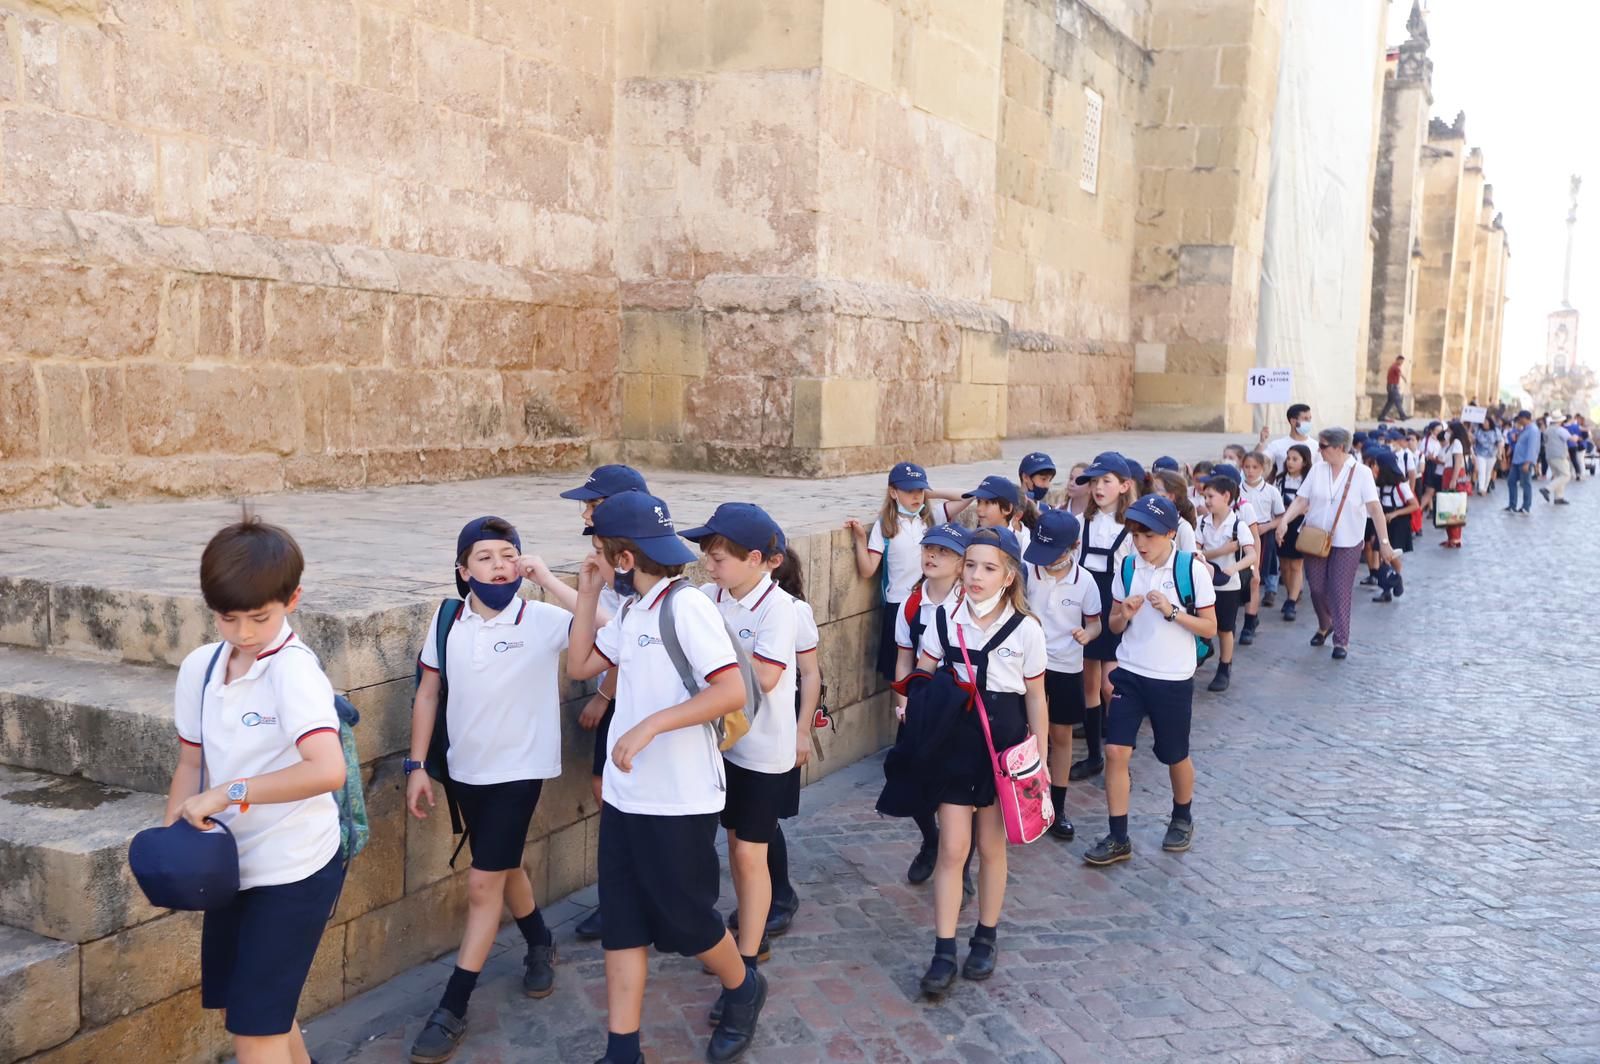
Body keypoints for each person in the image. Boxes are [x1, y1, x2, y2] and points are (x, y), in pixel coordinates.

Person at [566, 492, 767, 1064]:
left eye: (601, 555)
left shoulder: (686, 608)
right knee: (623, 922)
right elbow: (581, 665)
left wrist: (652, 724)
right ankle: (622, 1048)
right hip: (629, 796)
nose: (596, 562)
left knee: (687, 922)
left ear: (624, 557)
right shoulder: (632, 610)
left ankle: (741, 986)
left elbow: (728, 689)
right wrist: (586, 593)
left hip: (680, 797)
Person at [165, 517, 348, 1064]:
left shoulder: (293, 673)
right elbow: (189, 763)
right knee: (254, 1012)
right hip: (230, 869)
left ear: (292, 599)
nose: (244, 632)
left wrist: (227, 794)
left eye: (259, 617)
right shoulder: (200, 666)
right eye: (228, 617)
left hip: (294, 870)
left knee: (254, 1030)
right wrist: (177, 835)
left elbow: (327, 770)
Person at [406, 517, 572, 1063]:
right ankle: (540, 940)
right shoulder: (448, 618)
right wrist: (415, 766)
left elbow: (611, 626)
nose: (499, 564)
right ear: (463, 570)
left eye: (508, 554)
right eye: (485, 557)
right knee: (503, 866)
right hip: (465, 769)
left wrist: (548, 579)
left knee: (482, 885)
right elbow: (429, 692)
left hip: (520, 771)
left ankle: (452, 1007)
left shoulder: (544, 619)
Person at [903, 527, 1048, 995]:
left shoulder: (1026, 629)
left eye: (989, 568)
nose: (977, 575)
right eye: (970, 565)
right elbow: (924, 670)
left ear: (1009, 576)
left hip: (1002, 748)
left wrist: (1038, 759)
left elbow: (1037, 698)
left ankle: (986, 933)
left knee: (991, 847)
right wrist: (914, 702)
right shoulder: (944, 617)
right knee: (951, 848)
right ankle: (944, 948)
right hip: (955, 743)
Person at [1083, 495, 1217, 867]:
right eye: (1136, 533)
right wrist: (1123, 614)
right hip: (1130, 672)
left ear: (1170, 533)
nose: (1141, 543)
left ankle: (1182, 815)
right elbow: (1112, 624)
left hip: (1173, 677)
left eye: (1149, 535)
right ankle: (1118, 835)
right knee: (1115, 751)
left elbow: (1210, 626)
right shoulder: (1127, 567)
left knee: (1175, 755)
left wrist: (1173, 612)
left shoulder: (1192, 570)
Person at [559, 465, 649, 944]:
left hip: (638, 707)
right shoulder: (608, 563)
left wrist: (603, 694)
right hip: (621, 698)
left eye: (594, 504)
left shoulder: (641, 573)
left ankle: (630, 898)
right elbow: (600, 628)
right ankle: (619, 899)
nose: (587, 513)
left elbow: (621, 634)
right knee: (607, 792)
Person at [746, 543, 821, 941]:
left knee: (765, 816)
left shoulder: (792, 610)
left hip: (779, 715)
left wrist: (802, 729)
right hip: (740, 718)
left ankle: (781, 895)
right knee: (741, 821)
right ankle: (756, 897)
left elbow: (810, 674)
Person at [891, 523, 971, 888]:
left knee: (959, 789)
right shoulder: (911, 603)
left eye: (945, 552)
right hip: (921, 703)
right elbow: (904, 659)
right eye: (929, 549)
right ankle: (931, 840)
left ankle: (963, 866)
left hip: (958, 705)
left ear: (961, 564)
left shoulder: (970, 603)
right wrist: (903, 702)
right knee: (913, 780)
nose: (932, 556)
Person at [1276, 429, 1399, 660]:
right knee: (1318, 589)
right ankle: (1325, 624)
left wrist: (1384, 542)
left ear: (1339, 448)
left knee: (1339, 590)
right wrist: (1284, 520)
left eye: (1323, 446)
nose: (1319, 450)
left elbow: (1375, 509)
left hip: (1348, 541)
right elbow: (1302, 499)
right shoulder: (1317, 470)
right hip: (1315, 538)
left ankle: (1341, 640)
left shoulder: (1361, 473)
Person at [1022, 509, 1103, 842]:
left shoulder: (1085, 581)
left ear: (1074, 547)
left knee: (1062, 735)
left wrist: (1089, 634)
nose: (1046, 562)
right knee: (1026, 734)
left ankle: (1057, 805)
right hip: (1028, 666)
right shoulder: (1027, 572)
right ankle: (1026, 798)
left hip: (1067, 665)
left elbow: (1095, 622)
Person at [846, 463, 956, 684]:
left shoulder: (931, 517)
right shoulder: (886, 526)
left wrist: (930, 494)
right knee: (900, 669)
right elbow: (868, 570)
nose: (916, 496)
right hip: (898, 605)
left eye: (920, 490)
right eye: (909, 491)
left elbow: (966, 497)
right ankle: (904, 713)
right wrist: (860, 539)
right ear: (893, 492)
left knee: (931, 665)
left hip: (929, 603)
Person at [1069, 454, 1136, 782]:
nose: (1098, 488)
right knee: (1090, 684)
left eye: (1106, 481)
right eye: (1094, 482)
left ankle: (1120, 753)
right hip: (1086, 606)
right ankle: (1095, 754)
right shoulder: (1082, 522)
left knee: (1113, 685)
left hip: (1115, 608)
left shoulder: (1131, 528)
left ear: (1124, 486)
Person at [1195, 473, 1256, 693]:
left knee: (1225, 628)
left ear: (1226, 496)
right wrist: (1220, 551)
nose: (1206, 501)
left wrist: (1233, 568)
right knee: (1201, 622)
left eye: (1211, 496)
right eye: (1205, 496)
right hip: (1205, 582)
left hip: (1228, 585)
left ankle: (1225, 666)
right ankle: (1204, 649)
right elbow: (1196, 552)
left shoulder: (1238, 525)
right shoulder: (1202, 523)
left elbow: (1251, 555)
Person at [1237, 451, 1284, 635]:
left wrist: (1267, 526)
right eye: (1247, 467)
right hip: (1240, 536)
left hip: (1262, 537)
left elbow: (1280, 516)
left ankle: (1249, 622)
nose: (1250, 471)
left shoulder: (1271, 491)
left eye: (1254, 467)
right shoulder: (1237, 489)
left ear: (1263, 469)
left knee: (1255, 579)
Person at [1368, 448, 1417, 603]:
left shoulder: (1401, 485)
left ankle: (1395, 580)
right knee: (1385, 557)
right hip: (1385, 521)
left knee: (1389, 555)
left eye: (1376, 464)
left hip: (1398, 522)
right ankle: (1388, 587)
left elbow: (1414, 505)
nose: (1374, 467)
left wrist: (1394, 514)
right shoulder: (1380, 484)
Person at [1274, 444, 1312, 621]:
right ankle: (1291, 593)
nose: (1290, 462)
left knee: (1296, 565)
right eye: (1288, 458)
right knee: (1284, 565)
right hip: (1282, 523)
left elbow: (1310, 505)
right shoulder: (1280, 480)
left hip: (1300, 526)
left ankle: (1291, 601)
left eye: (1295, 459)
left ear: (1304, 462)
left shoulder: (1308, 481)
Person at [1439, 421, 1470, 546]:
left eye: (1448, 430)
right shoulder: (1451, 444)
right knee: (1448, 505)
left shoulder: (1457, 443)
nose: (1446, 433)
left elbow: (1458, 461)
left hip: (1453, 474)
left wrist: (1453, 479)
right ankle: (1451, 536)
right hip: (1448, 473)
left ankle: (1456, 538)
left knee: (1454, 506)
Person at [1262, 403, 1314, 470]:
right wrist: (1262, 442)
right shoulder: (1277, 445)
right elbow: (1259, 461)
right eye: (1305, 419)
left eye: (1310, 419)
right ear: (1293, 421)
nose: (1309, 422)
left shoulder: (1317, 446)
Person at [1507, 410, 1539, 514]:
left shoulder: (1533, 430)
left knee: (1525, 484)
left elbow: (1532, 447)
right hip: (1517, 461)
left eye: (1520, 418)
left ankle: (1526, 506)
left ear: (1525, 418)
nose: (1519, 420)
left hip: (1524, 461)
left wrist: (1528, 462)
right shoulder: (1524, 430)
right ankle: (1512, 504)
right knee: (1511, 481)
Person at [1542, 415, 1574, 506]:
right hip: (1559, 455)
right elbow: (1570, 439)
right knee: (1566, 475)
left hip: (1549, 455)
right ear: (1559, 421)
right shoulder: (1560, 430)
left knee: (1557, 476)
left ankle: (1558, 498)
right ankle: (1547, 489)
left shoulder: (1547, 430)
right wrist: (1576, 437)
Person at [1472, 415, 1502, 496]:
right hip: (1480, 453)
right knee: (1482, 471)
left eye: (1486, 422)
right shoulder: (1478, 430)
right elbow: (1473, 440)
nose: (1484, 424)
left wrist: (1499, 453)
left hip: (1492, 454)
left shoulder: (1496, 431)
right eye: (1483, 422)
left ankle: (1485, 488)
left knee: (1488, 472)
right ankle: (1481, 488)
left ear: (1490, 422)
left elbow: (1500, 442)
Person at [1378, 355, 1409, 421]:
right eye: (1401, 361)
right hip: (1393, 387)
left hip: (1391, 386)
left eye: (1402, 362)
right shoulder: (1395, 367)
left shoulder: (1393, 366)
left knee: (1390, 403)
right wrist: (1405, 379)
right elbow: (1400, 374)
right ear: (1397, 360)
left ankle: (1381, 416)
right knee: (1398, 401)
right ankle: (1402, 416)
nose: (1401, 363)